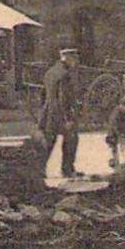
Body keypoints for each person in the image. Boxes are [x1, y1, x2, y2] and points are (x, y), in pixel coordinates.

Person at [40, 47, 82, 178]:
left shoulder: (50, 72)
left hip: (49, 112)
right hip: (60, 114)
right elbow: (63, 98)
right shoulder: (64, 74)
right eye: (74, 59)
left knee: (49, 142)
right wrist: (68, 118)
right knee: (72, 139)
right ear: (67, 58)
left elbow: (42, 93)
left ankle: (39, 169)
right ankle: (67, 169)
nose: (75, 62)